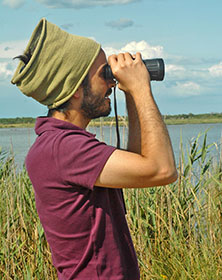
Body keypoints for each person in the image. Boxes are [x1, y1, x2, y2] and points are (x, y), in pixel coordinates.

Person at [11, 18, 177, 280]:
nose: (111, 82)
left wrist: (131, 94)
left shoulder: (60, 144)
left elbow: (141, 163)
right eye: (104, 73)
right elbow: (162, 170)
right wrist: (141, 88)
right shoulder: (63, 148)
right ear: (76, 90)